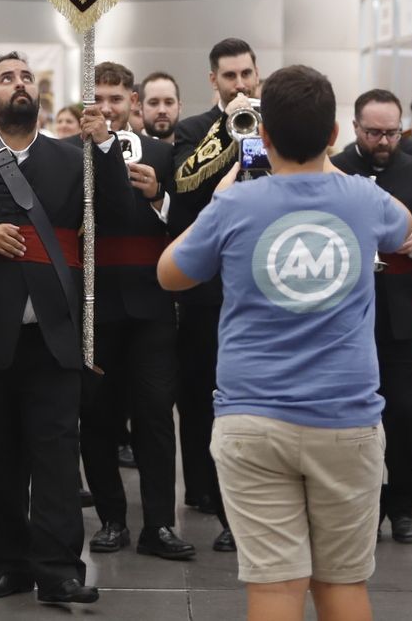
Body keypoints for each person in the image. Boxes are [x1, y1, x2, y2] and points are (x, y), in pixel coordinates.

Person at [159, 64, 411, 621]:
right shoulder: (363, 199)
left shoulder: (234, 206)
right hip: (346, 418)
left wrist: (227, 188)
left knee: (274, 589)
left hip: (253, 418)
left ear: (262, 135)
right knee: (343, 585)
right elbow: (404, 227)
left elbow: (169, 273)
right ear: (334, 136)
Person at [0, 51, 136, 605]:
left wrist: (104, 144)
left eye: (26, 77)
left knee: (56, 455)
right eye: (6, 79)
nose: (19, 84)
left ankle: (59, 569)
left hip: (51, 334)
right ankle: (8, 562)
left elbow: (116, 213)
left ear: (39, 95)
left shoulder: (70, 157)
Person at [331, 88, 412, 545]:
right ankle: (356, 504)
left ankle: (403, 503)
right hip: (341, 312)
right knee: (346, 416)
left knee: (406, 411)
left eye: (391, 132)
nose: (383, 141)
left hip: (400, 309)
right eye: (374, 133)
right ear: (355, 129)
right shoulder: (337, 169)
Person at [79, 62, 193, 561]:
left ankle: (160, 525)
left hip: (151, 303)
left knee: (154, 418)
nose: (107, 108)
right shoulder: (69, 155)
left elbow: (189, 225)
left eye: (116, 98)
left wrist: (160, 198)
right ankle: (110, 519)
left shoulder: (165, 155)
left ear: (133, 101)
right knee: (98, 417)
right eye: (98, 98)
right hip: (94, 303)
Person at [170, 36, 264, 553]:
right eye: (229, 77)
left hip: (265, 277)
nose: (240, 84)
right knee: (203, 389)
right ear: (214, 81)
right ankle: (207, 489)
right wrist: (233, 128)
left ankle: (242, 507)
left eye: (246, 74)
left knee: (252, 398)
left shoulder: (277, 123)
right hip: (210, 286)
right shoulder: (191, 129)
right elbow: (185, 185)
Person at [140, 71, 181, 144]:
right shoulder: (127, 150)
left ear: (179, 107)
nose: (162, 110)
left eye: (169, 103)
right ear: (140, 108)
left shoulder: (193, 149)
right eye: (153, 103)